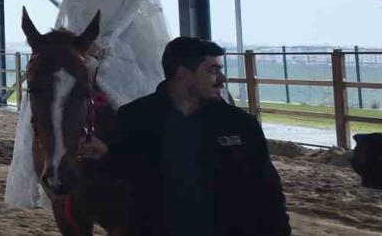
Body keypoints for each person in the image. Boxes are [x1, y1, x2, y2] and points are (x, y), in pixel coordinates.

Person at [6, 0, 171, 209]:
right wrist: (84, 39)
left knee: (150, 93)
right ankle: (34, 170)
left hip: (123, 39)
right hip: (80, 36)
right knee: (39, 98)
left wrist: (106, 39)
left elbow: (133, 5)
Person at [80, 37, 291, 235]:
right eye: (212, 70)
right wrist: (105, 156)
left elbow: (267, 191)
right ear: (183, 74)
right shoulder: (134, 118)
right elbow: (121, 178)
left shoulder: (240, 124)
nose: (221, 79)